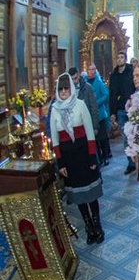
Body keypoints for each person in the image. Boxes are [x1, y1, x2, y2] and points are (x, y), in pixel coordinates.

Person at [51, 74, 105, 244]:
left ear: (71, 89)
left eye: (67, 88)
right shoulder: (54, 110)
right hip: (69, 160)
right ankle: (88, 226)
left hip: (84, 156)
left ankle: (97, 225)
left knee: (91, 195)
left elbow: (90, 134)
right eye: (61, 89)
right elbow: (55, 140)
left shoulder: (80, 105)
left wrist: (92, 159)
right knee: (79, 196)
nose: (64, 91)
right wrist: (60, 164)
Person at [108, 50, 136, 174]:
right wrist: (112, 112)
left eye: (122, 57)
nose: (120, 59)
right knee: (125, 137)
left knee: (134, 135)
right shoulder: (113, 75)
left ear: (125, 59)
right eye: (118, 57)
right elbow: (112, 94)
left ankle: (137, 158)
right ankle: (130, 162)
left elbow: (135, 89)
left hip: (131, 108)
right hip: (119, 110)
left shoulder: (131, 72)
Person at [68, 67, 99, 160]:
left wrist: (95, 126)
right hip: (75, 127)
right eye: (72, 79)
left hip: (87, 125)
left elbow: (94, 108)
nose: (74, 81)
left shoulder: (87, 88)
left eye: (76, 78)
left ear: (79, 76)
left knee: (91, 152)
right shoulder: (67, 90)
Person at [85, 63, 111, 166]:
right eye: (91, 69)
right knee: (94, 140)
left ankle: (105, 156)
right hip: (90, 116)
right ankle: (99, 158)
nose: (93, 71)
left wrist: (96, 103)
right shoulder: (85, 82)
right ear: (87, 71)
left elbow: (105, 95)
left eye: (94, 69)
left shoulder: (99, 82)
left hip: (100, 114)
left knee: (103, 138)